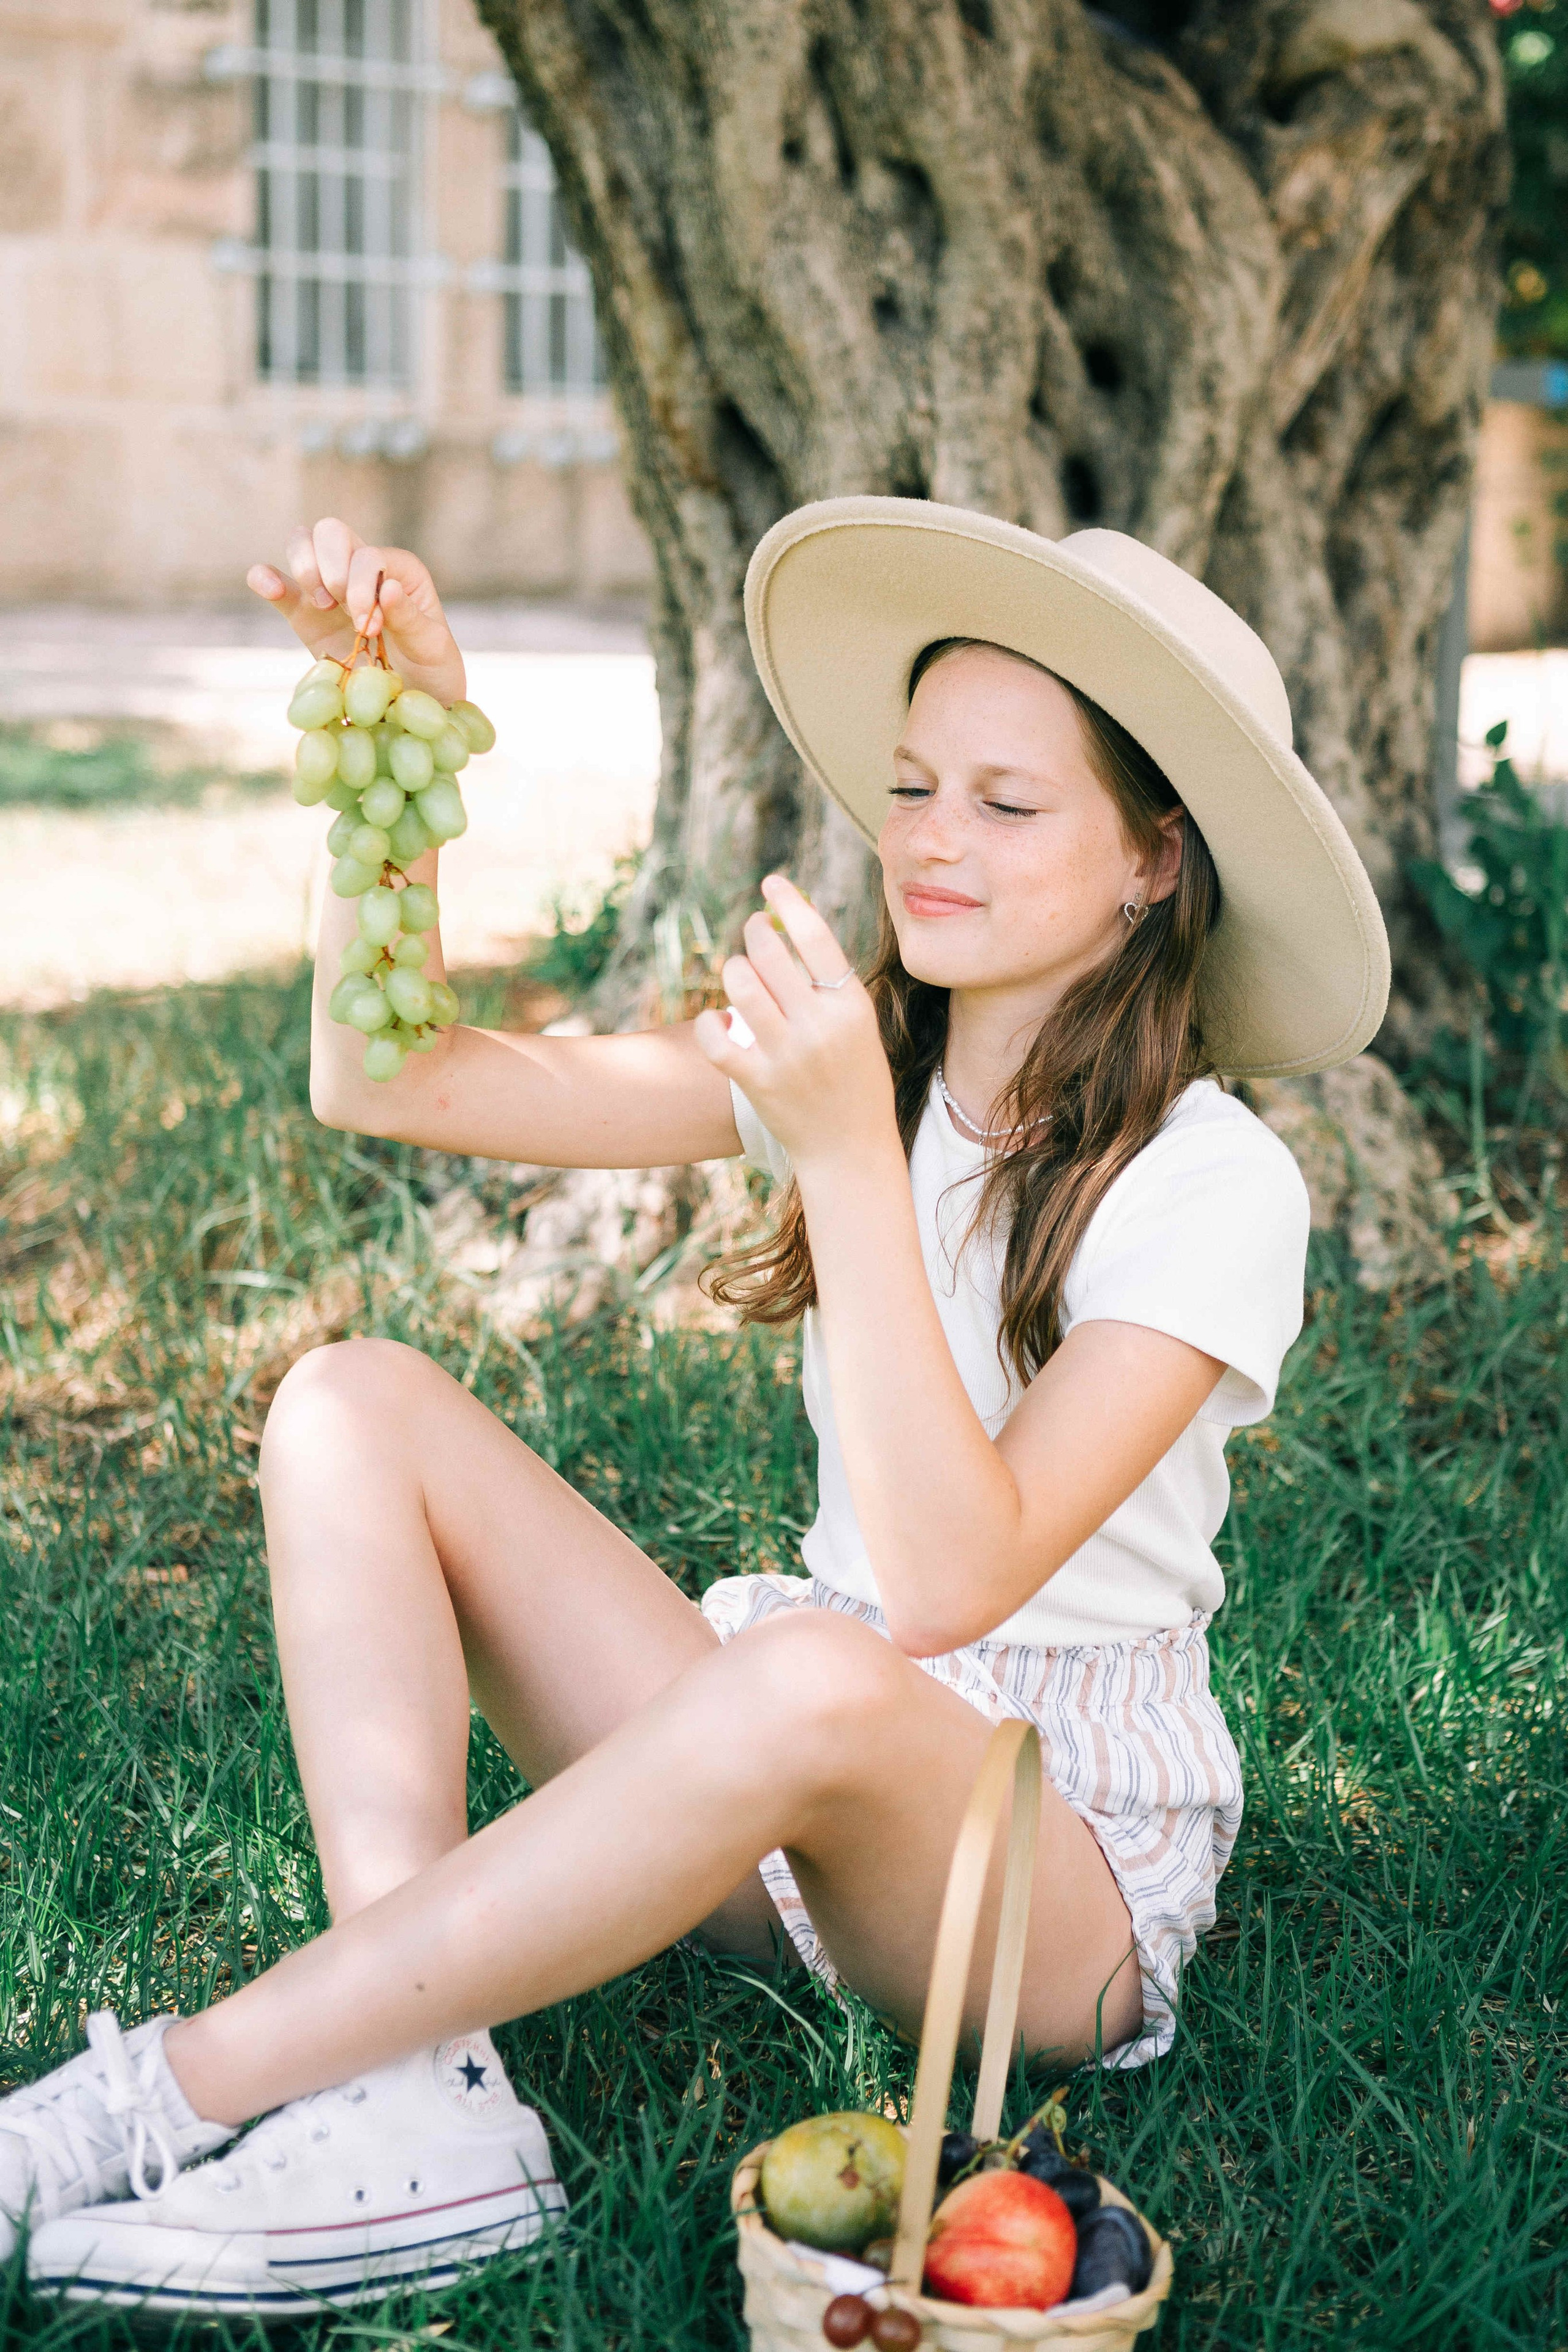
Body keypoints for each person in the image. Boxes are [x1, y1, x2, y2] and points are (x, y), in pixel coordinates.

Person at [1, 499, 1388, 2315]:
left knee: (821, 1670)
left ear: (1151, 860)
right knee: (352, 1401)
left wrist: (840, 1160)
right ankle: (424, 2094)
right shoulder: (862, 1074)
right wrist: (401, 737)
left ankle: (165, 2092)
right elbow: (390, 1077)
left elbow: (956, 1579)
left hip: (1037, 1877)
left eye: (1006, 802)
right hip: (785, 1747)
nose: (929, 842)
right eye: (910, 787)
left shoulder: (1214, 1184)